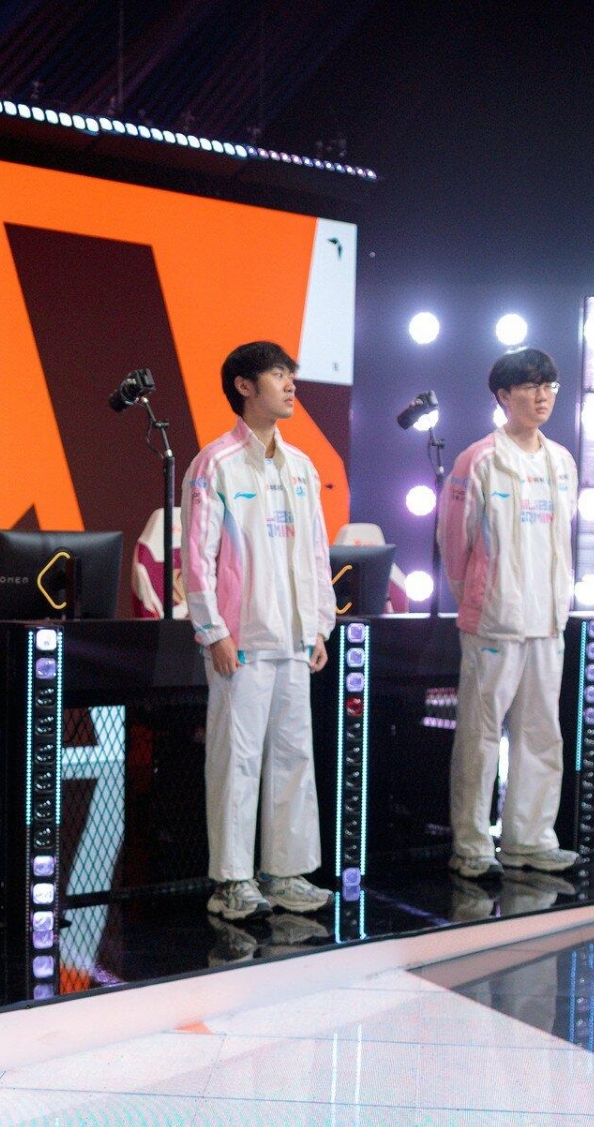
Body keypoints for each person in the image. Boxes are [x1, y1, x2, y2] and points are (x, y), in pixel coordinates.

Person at [183, 341, 335, 922]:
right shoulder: (216, 463)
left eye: (291, 374)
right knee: (237, 762)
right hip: (241, 640)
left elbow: (316, 553)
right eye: (278, 375)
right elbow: (196, 557)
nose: (291, 384)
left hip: (294, 638)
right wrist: (212, 630)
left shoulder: (301, 466)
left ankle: (286, 872)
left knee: (295, 757)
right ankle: (231, 882)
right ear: (245, 387)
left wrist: (320, 624)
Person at [437, 348, 581, 879]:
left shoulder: (561, 461)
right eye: (530, 386)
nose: (542, 396)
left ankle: (530, 839)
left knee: (542, 733)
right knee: (480, 735)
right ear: (503, 395)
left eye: (549, 386)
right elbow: (454, 542)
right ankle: (472, 845)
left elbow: (561, 540)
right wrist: (477, 597)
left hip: (548, 619)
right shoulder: (478, 459)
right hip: (494, 619)